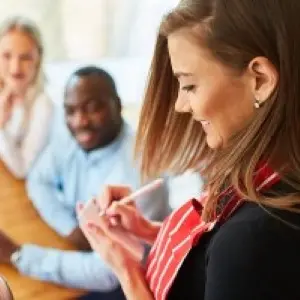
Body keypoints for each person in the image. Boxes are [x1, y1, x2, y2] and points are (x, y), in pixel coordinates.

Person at [79, 1, 300, 299]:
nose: (181, 105)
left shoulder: (251, 240)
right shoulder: (275, 183)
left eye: (190, 86)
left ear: (259, 80)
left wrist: (127, 272)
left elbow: (241, 263)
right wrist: (151, 232)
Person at [0, 66, 170, 299]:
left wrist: (18, 255)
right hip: (83, 254)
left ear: (117, 105)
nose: (80, 121)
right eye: (70, 111)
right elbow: (38, 180)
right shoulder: (72, 137)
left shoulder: (140, 172)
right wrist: (70, 227)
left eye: (92, 108)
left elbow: (106, 271)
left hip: (128, 284)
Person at [0, 16, 53, 178]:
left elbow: (22, 169)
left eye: (25, 58)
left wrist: (1, 126)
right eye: (7, 56)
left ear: (38, 60)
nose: (15, 68)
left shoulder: (43, 106)